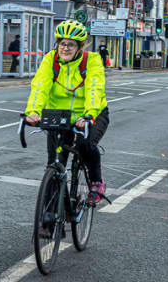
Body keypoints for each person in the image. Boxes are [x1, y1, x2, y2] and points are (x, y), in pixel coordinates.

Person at [24, 20, 110, 204]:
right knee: (55, 162)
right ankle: (48, 222)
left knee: (85, 145)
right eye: (62, 43)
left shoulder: (92, 60)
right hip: (60, 115)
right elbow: (40, 86)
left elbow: (95, 88)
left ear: (79, 47)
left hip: (90, 113)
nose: (65, 48)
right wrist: (33, 111)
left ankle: (96, 182)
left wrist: (89, 114)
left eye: (71, 44)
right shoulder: (50, 59)